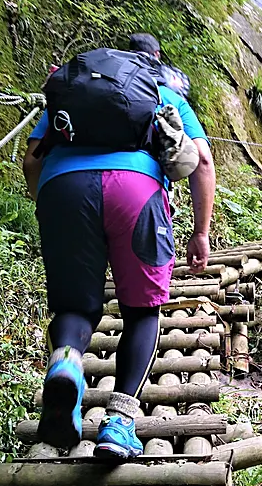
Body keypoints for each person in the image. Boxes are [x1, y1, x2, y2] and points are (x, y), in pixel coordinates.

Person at [22, 33, 215, 460]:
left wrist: (50, 206)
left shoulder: (77, 89)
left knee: (74, 307)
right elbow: (201, 161)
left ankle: (67, 364)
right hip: (136, 191)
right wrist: (200, 232)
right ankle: (119, 423)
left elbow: (33, 157)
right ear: (156, 59)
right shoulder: (165, 92)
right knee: (141, 310)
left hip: (64, 189)